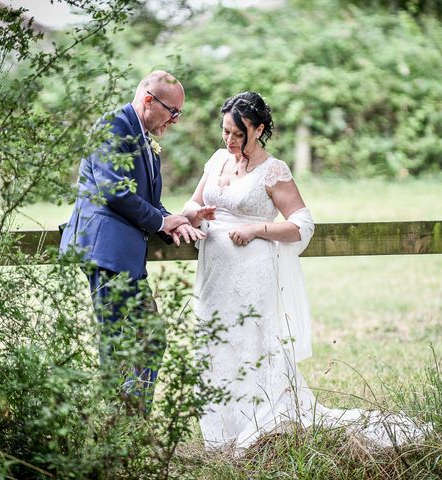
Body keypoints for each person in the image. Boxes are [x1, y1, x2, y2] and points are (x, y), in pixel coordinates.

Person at [182, 92, 427, 451]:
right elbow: (193, 201)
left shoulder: (273, 170)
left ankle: (259, 426)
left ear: (259, 129)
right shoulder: (218, 160)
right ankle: (221, 434)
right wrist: (195, 214)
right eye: (226, 132)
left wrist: (257, 230)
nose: (230, 140)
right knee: (216, 345)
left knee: (252, 345)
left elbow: (302, 224)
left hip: (252, 274)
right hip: (215, 275)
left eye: (238, 133)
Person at [60, 71, 203, 413]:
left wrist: (174, 223)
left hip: (126, 257)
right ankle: (116, 429)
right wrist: (160, 220)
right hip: (106, 252)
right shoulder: (114, 126)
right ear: (149, 101)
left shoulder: (145, 136)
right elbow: (115, 192)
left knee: (150, 339)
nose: (176, 120)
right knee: (119, 345)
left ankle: (131, 420)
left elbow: (148, 200)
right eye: (174, 111)